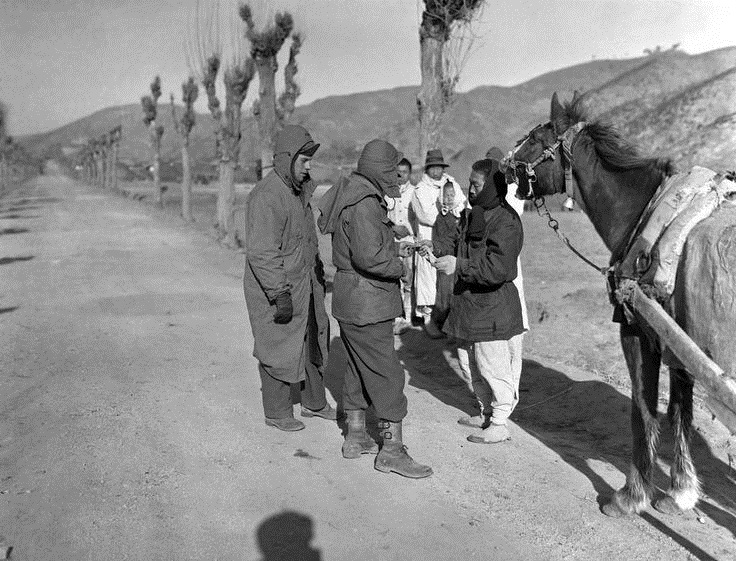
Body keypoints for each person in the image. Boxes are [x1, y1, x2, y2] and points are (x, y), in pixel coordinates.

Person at [318, 139, 433, 478]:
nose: (398, 180)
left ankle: (355, 436)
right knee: (387, 372)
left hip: (349, 298)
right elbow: (369, 258)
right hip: (368, 301)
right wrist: (401, 264)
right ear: (379, 171)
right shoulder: (366, 203)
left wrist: (394, 243)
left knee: (356, 363)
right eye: (393, 173)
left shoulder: (352, 192)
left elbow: (363, 245)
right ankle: (392, 451)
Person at [243, 124, 336, 432]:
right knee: (278, 344)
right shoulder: (267, 196)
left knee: (313, 338)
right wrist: (278, 293)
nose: (308, 166)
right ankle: (278, 411)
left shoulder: (298, 193)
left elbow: (307, 239)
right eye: (303, 160)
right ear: (286, 158)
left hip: (306, 282)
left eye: (310, 160)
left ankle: (314, 402)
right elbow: (261, 252)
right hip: (278, 287)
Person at [435, 158, 525, 444]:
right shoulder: (475, 214)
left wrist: (458, 266)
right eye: (470, 183)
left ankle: (499, 422)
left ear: (491, 186)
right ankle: (486, 411)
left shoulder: (506, 221)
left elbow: (497, 269)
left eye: (476, 184)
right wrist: (435, 250)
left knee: (492, 366)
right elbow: (460, 247)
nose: (470, 190)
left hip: (492, 307)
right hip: (468, 305)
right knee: (469, 363)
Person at [411, 149, 465, 329]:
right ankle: (428, 320)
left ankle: (446, 318)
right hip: (428, 236)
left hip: (449, 238)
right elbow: (425, 215)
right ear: (427, 169)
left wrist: (450, 210)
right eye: (432, 168)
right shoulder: (420, 189)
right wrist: (446, 211)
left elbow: (461, 202)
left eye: (439, 167)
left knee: (448, 280)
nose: (436, 171)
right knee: (428, 278)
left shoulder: (452, 184)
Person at [421, 179, 465, 337]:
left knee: (457, 295)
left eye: (452, 195)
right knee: (444, 295)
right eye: (446, 195)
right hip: (446, 259)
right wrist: (437, 250)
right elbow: (440, 240)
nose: (449, 198)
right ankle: (437, 322)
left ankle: (452, 327)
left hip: (459, 262)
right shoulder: (442, 218)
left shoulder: (462, 215)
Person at [385, 157, 416, 334]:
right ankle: (396, 316)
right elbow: (383, 216)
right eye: (398, 172)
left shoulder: (414, 192)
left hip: (409, 241)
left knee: (408, 279)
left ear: (409, 173)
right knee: (394, 278)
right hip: (392, 241)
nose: (400, 175)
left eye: (404, 172)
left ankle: (408, 317)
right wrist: (393, 228)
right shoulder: (388, 193)